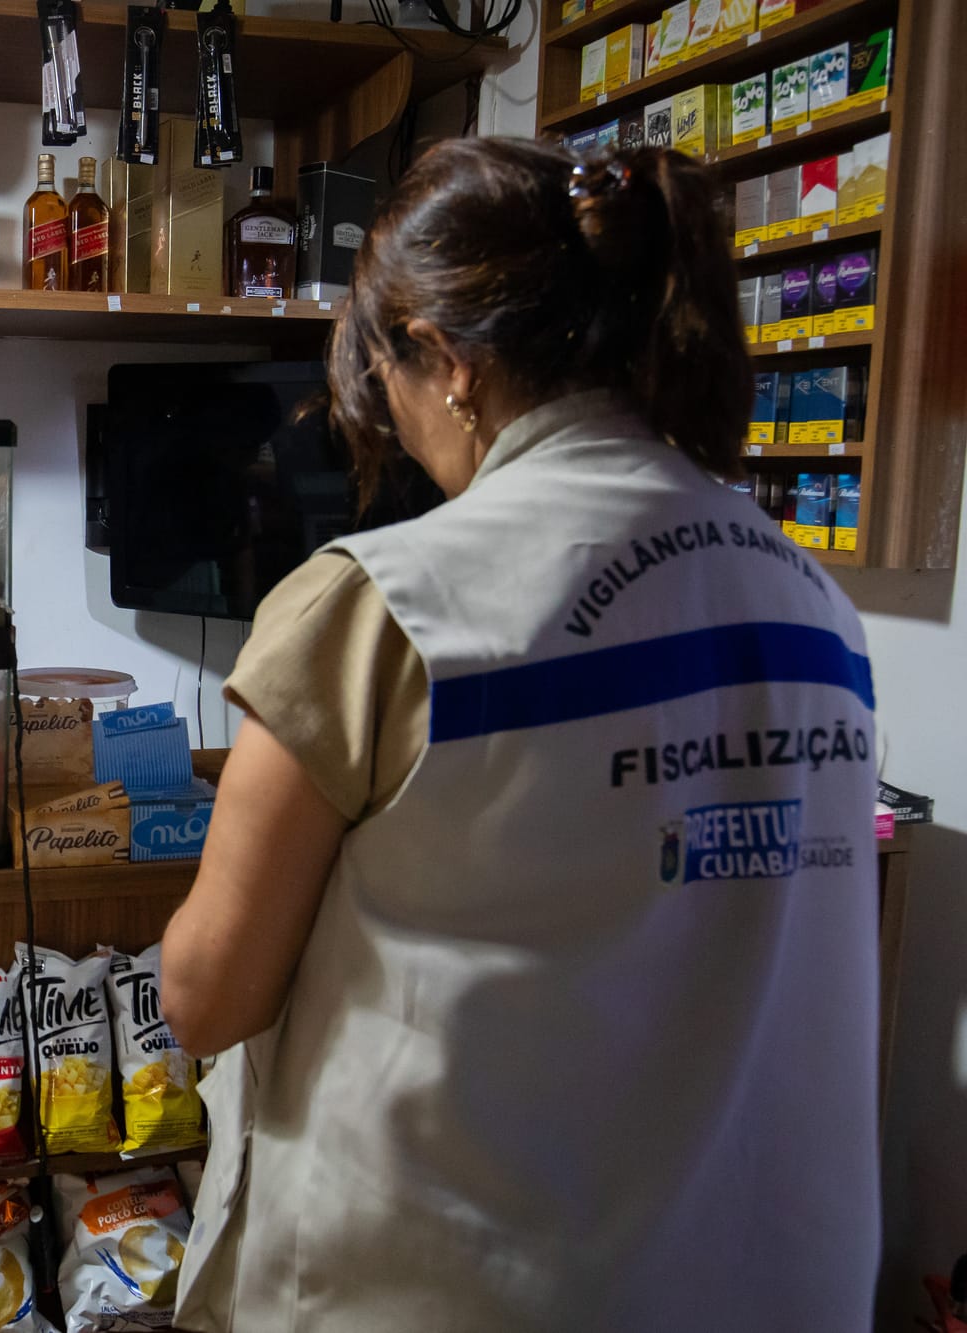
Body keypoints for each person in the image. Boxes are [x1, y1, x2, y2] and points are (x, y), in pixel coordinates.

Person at [160, 138, 878, 1330]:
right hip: (769, 1283)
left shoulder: (382, 601)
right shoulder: (813, 602)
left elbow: (207, 992)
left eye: (384, 381)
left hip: (453, 1287)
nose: (391, 420)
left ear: (443, 362)